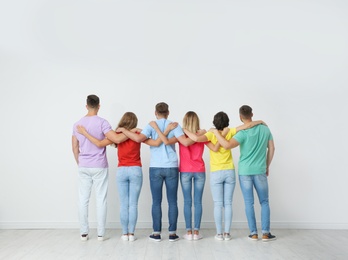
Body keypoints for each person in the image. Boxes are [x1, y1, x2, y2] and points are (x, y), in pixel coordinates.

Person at [77, 112, 171, 242]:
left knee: (123, 204)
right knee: (133, 204)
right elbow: (155, 142)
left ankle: (124, 233)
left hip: (121, 171)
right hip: (135, 170)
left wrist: (85, 133)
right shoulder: (137, 135)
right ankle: (131, 234)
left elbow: (100, 143)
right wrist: (157, 131)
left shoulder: (117, 136)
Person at [184, 111, 263, 241]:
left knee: (218, 204)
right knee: (228, 203)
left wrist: (185, 129)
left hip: (216, 172)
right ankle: (227, 233)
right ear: (227, 122)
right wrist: (260, 121)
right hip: (229, 171)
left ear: (214, 122)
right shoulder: (230, 131)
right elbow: (247, 126)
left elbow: (196, 139)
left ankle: (219, 234)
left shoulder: (210, 134)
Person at [117, 102, 184, 242]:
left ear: (155, 112)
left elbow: (137, 138)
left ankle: (156, 233)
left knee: (156, 201)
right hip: (171, 166)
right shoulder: (174, 125)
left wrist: (124, 130)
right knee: (173, 201)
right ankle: (172, 234)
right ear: (168, 112)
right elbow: (182, 141)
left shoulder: (151, 125)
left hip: (155, 167)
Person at [150, 111, 219, 241]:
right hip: (200, 170)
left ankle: (188, 232)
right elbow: (214, 148)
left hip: (185, 171)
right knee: (197, 202)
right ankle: (196, 232)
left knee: (187, 202)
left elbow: (165, 141)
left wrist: (159, 129)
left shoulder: (181, 135)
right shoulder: (202, 135)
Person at [212, 105, 276, 242]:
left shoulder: (241, 133)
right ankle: (265, 233)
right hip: (260, 170)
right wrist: (267, 165)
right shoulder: (265, 129)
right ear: (252, 114)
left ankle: (253, 233)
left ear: (240, 117)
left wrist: (216, 133)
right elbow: (272, 148)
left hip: (244, 172)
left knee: (249, 203)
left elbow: (227, 145)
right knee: (264, 202)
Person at [72, 94, 112, 241]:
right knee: (101, 199)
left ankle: (84, 233)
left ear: (86, 106)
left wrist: (80, 162)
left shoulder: (77, 124)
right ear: (99, 106)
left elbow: (75, 146)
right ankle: (101, 234)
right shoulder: (103, 122)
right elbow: (112, 138)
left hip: (83, 165)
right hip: (100, 165)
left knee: (83, 199)